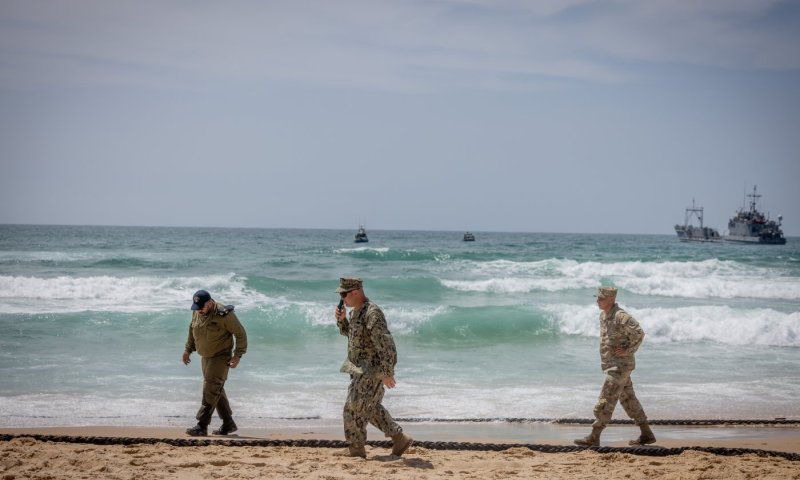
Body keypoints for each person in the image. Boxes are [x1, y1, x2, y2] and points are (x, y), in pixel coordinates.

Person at [333, 277, 413, 458]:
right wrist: (342, 321)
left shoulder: (372, 313)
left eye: (344, 294)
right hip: (358, 369)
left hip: (370, 370)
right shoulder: (355, 313)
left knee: (351, 408)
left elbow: (386, 344)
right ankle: (400, 438)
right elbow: (353, 337)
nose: (342, 299)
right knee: (370, 408)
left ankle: (356, 449)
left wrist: (387, 372)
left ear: (355, 292)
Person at [574, 286, 656, 447]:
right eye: (597, 297)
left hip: (620, 367)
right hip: (612, 365)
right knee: (628, 399)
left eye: (601, 298)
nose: (597, 300)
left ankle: (594, 436)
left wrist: (628, 350)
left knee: (606, 399)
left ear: (611, 299)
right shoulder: (603, 315)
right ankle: (646, 433)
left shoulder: (620, 316)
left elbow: (639, 333)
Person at [182, 289, 247, 437]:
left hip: (221, 356)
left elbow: (241, 334)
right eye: (196, 308)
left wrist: (237, 356)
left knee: (210, 388)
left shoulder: (224, 315)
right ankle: (228, 423)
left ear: (210, 303)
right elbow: (192, 330)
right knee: (216, 389)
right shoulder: (197, 311)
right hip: (205, 357)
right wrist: (188, 350)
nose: (198, 311)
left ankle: (202, 425)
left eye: (202, 307)